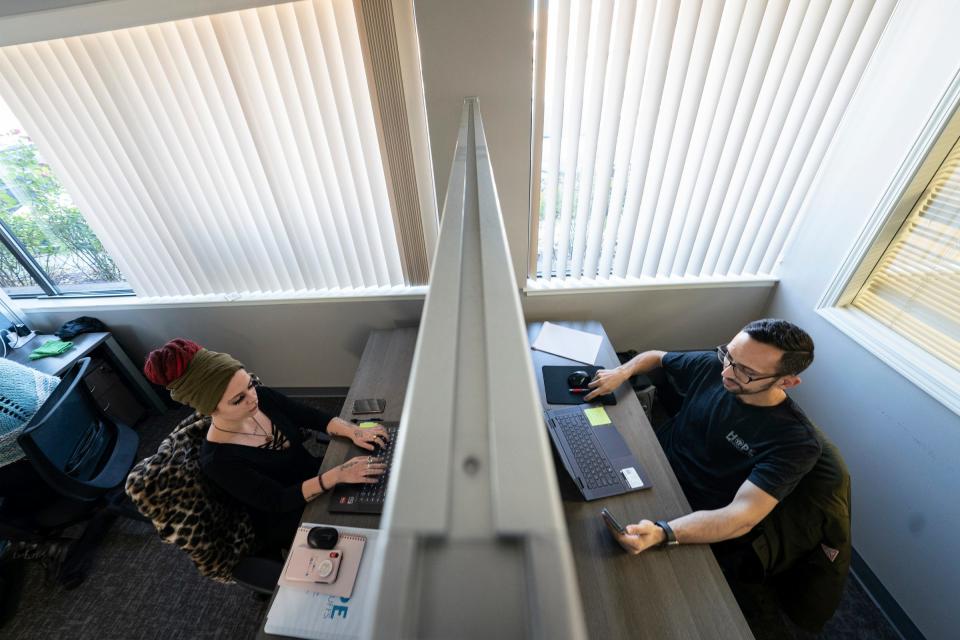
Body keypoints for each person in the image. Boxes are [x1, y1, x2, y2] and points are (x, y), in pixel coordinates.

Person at [584, 319, 820, 559]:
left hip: (688, 512)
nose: (726, 372)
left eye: (747, 372)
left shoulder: (796, 442)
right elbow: (657, 357)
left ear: (786, 382)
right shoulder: (714, 366)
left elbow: (742, 516)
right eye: (729, 355)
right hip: (651, 463)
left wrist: (663, 532)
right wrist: (622, 372)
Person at [142, 338, 389, 553]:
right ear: (210, 409)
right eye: (239, 399)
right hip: (291, 513)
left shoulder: (263, 397)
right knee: (373, 529)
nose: (253, 399)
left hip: (319, 476)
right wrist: (336, 476)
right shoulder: (218, 460)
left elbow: (314, 418)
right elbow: (277, 500)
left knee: (384, 486)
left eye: (249, 384)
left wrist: (353, 431)